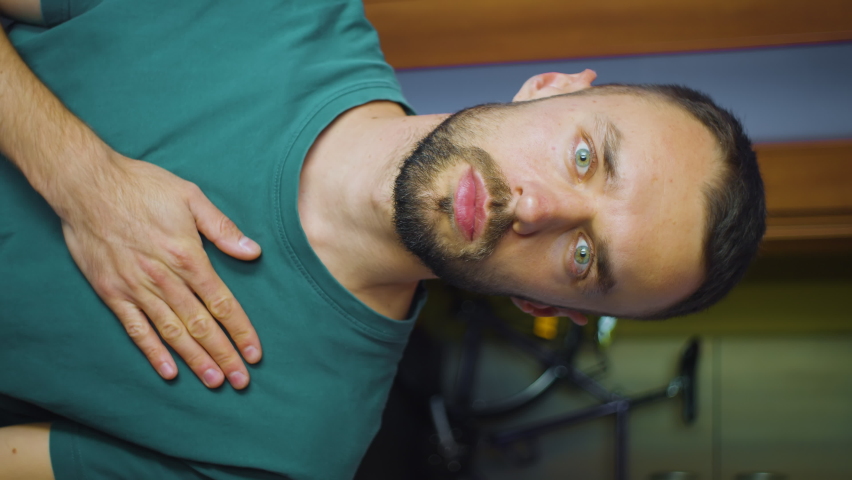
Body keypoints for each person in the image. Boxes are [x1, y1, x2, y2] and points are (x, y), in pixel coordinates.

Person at [0, 0, 766, 478]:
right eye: (584, 157)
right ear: (553, 87)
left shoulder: (297, 454)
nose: (538, 206)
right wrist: (80, 176)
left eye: (584, 257)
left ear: (550, 305)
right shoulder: (274, 11)